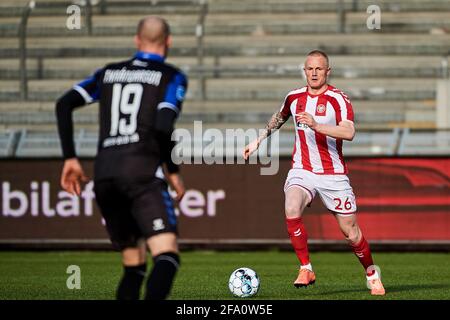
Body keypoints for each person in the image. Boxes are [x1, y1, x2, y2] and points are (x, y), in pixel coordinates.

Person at [55, 16, 188, 300]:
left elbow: (64, 104)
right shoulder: (171, 76)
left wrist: (70, 158)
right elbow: (164, 127)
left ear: (137, 41)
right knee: (166, 256)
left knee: (133, 267)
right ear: (169, 42)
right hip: (141, 171)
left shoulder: (108, 73)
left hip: (105, 174)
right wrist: (173, 171)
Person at [243, 50, 385, 296]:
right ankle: (306, 267)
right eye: (310, 68)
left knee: (351, 233)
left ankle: (371, 272)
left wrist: (317, 125)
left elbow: (349, 132)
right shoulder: (294, 96)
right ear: (305, 70)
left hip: (333, 174)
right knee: (291, 206)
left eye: (319, 68)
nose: (314, 73)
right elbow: (279, 117)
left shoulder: (338, 99)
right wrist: (258, 140)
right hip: (303, 168)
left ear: (328, 71)